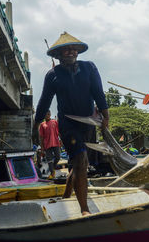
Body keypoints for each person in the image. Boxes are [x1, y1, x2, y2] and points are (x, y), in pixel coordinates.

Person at [33, 32, 109, 216]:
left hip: (89, 123)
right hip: (68, 125)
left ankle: (67, 195)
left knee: (77, 163)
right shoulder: (53, 75)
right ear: (58, 55)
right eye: (66, 49)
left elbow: (98, 92)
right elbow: (44, 102)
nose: (70, 52)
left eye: (73, 49)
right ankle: (84, 209)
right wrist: (35, 125)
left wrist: (105, 117)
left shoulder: (89, 68)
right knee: (81, 161)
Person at [39, 110, 61, 179]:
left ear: (50, 114)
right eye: (46, 114)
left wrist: (61, 141)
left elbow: (59, 132)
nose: (47, 115)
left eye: (48, 114)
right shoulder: (42, 125)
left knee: (58, 157)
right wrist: (42, 148)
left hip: (55, 143)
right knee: (49, 159)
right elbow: (41, 137)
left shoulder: (54, 122)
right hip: (47, 144)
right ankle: (52, 173)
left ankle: (52, 168)